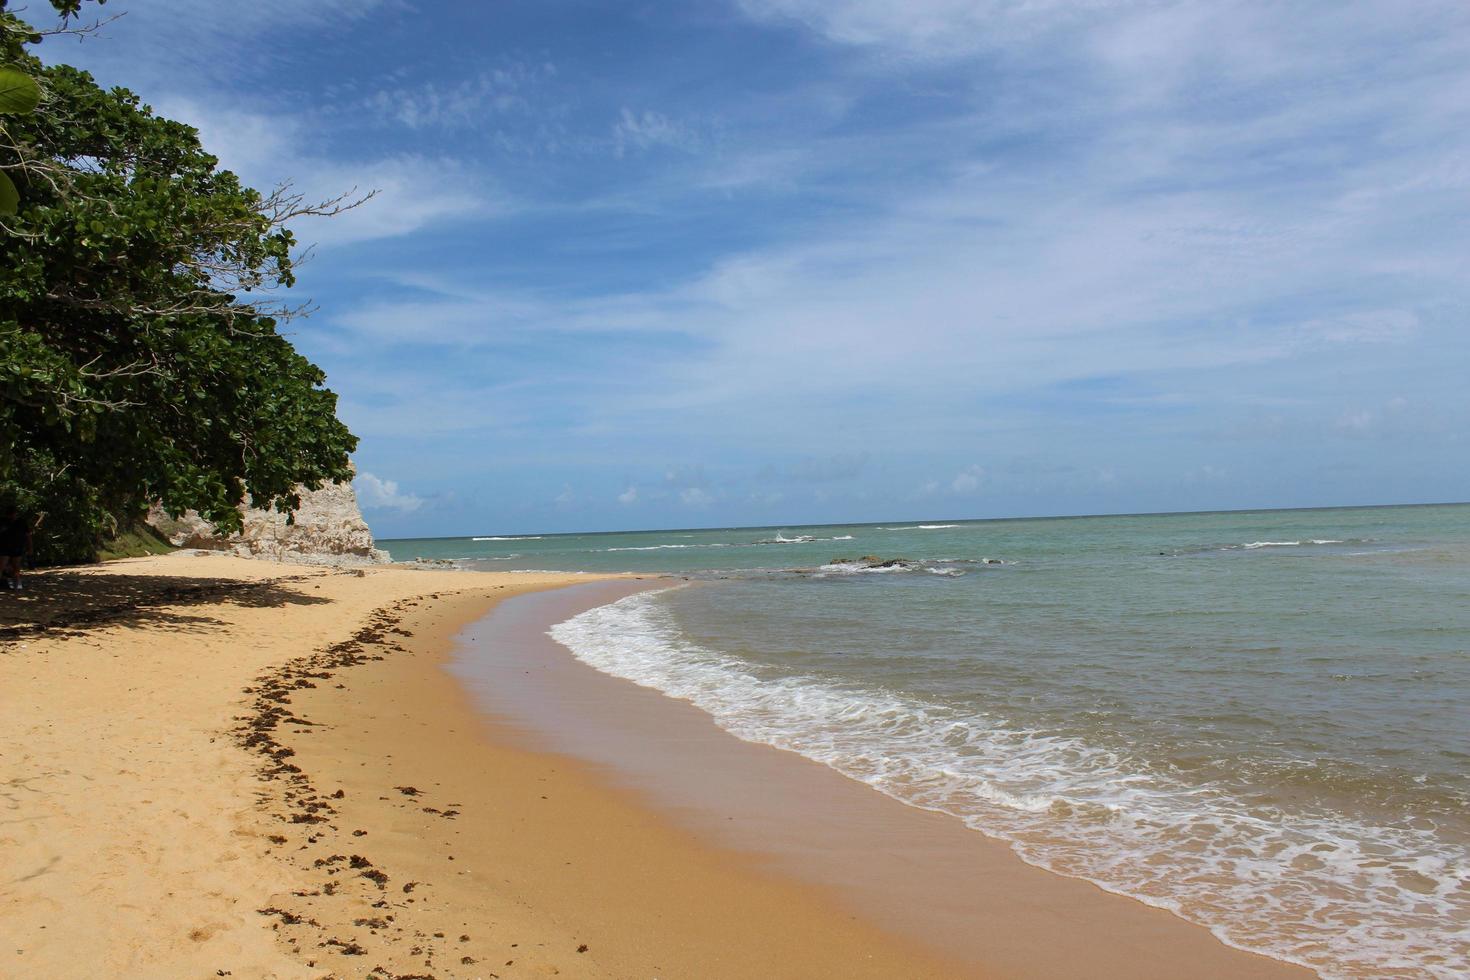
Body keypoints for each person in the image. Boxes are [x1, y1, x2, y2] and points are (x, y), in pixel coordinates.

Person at [1, 506, 32, 591]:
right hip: (4, 547)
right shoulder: (2, 521)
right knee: (1, 566)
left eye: (13, 514)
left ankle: (16, 588)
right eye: (10, 514)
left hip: (17, 547)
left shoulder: (22, 522)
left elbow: (28, 536)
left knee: (16, 568)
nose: (12, 516)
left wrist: (30, 548)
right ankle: (8, 585)